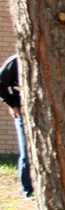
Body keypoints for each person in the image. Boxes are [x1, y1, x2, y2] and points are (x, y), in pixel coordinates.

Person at [0, 54, 34, 199]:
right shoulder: (16, 61)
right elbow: (0, 83)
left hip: (48, 115)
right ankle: (28, 191)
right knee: (27, 153)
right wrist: (12, 104)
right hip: (23, 113)